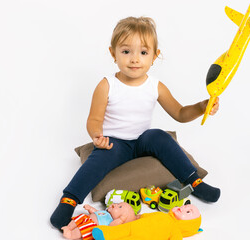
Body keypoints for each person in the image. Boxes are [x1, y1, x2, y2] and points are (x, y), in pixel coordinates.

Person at [50, 16, 220, 230]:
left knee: (159, 135)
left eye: (143, 52)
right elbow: (94, 118)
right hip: (115, 143)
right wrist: (97, 136)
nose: (134, 59)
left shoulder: (155, 85)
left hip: (142, 140)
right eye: (126, 51)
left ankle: (195, 182)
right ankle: (69, 199)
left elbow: (179, 112)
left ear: (154, 56)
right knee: (98, 159)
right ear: (113, 53)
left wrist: (201, 107)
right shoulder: (107, 85)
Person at [92, 204, 202, 240]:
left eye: (188, 212)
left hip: (144, 237)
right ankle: (105, 233)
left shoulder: (174, 229)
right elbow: (147, 215)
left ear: (188, 224)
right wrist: (138, 216)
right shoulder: (161, 214)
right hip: (134, 225)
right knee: (120, 229)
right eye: (184, 206)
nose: (183, 208)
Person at [62, 202, 138, 240]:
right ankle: (69, 227)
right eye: (118, 204)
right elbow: (96, 212)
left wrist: (120, 220)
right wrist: (90, 209)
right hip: (87, 218)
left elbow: (112, 226)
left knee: (82, 229)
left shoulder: (113, 222)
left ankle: (71, 235)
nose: (115, 205)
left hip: (91, 226)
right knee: (80, 217)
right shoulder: (106, 213)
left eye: (119, 207)